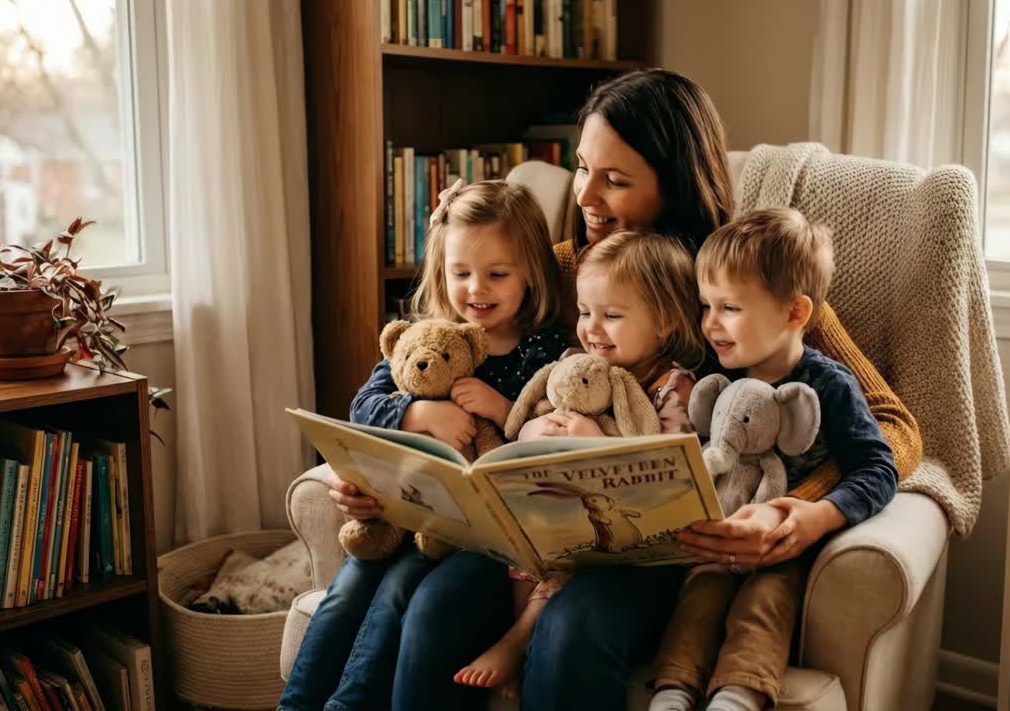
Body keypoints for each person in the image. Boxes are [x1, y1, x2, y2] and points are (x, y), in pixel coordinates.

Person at [327, 68, 924, 711]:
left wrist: (800, 511)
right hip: (538, 536)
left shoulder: (741, 284)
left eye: (616, 180)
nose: (587, 195)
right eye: (583, 168)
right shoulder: (551, 271)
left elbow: (893, 424)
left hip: (670, 552)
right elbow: (428, 355)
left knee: (569, 627)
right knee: (436, 605)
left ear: (674, 186)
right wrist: (398, 434)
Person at [278, 180, 567, 711]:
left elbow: (550, 436)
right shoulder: (425, 338)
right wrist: (417, 409)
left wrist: (502, 411)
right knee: (345, 594)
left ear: (531, 271)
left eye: (497, 274)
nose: (476, 289)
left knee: (395, 595)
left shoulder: (543, 350)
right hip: (402, 519)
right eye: (460, 274)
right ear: (441, 272)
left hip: (477, 542)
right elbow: (363, 407)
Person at [649, 208, 898, 711]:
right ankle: (673, 694)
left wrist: (817, 515)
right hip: (717, 546)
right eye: (706, 305)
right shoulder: (714, 381)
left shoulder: (829, 385)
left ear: (794, 313)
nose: (711, 324)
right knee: (698, 600)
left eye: (731, 308)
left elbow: (879, 467)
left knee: (763, 606)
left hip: (785, 551)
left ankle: (737, 697)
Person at [453, 230, 707, 696]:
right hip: (563, 521)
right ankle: (521, 634)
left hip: (632, 543)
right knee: (527, 536)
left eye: (611, 316)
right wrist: (536, 434)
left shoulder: (674, 389)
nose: (592, 328)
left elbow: (668, 471)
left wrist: (596, 444)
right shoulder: (572, 365)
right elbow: (523, 423)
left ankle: (520, 640)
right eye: (586, 312)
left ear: (666, 322)